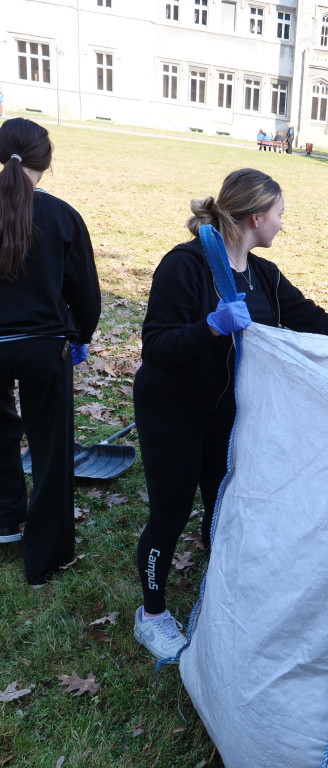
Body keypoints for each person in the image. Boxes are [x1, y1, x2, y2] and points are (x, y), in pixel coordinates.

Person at [133, 168, 328, 661]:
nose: (281, 226)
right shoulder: (185, 267)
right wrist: (209, 326)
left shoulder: (263, 275)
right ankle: (153, 614)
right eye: (278, 215)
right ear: (255, 217)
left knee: (225, 505)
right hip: (174, 411)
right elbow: (156, 347)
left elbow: (313, 320)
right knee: (170, 514)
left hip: (227, 412)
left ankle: (223, 592)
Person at [0, 118, 101, 586]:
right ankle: (44, 558)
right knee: (50, 450)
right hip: (44, 348)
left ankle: (5, 523)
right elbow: (86, 292)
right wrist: (80, 334)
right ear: (46, 159)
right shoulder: (62, 216)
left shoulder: (59, 214)